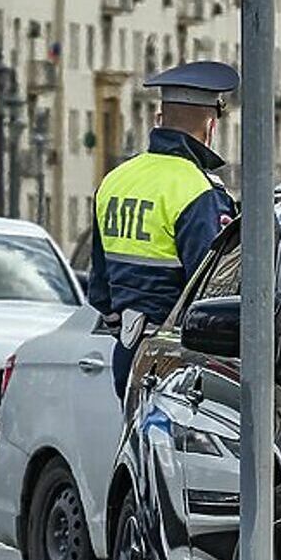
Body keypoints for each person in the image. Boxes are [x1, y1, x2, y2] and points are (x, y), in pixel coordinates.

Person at [88, 60, 240, 399]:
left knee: (136, 451)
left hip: (127, 354)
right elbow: (214, 293)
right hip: (178, 361)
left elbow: (98, 289)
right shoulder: (198, 190)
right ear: (210, 125)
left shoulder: (116, 180)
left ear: (160, 120)